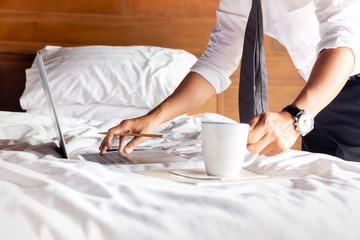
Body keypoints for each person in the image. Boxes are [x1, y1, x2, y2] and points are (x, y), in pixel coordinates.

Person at [99, 0, 360, 161]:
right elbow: (215, 63)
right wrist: (154, 119)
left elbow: (342, 45)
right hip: (322, 99)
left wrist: (294, 116)